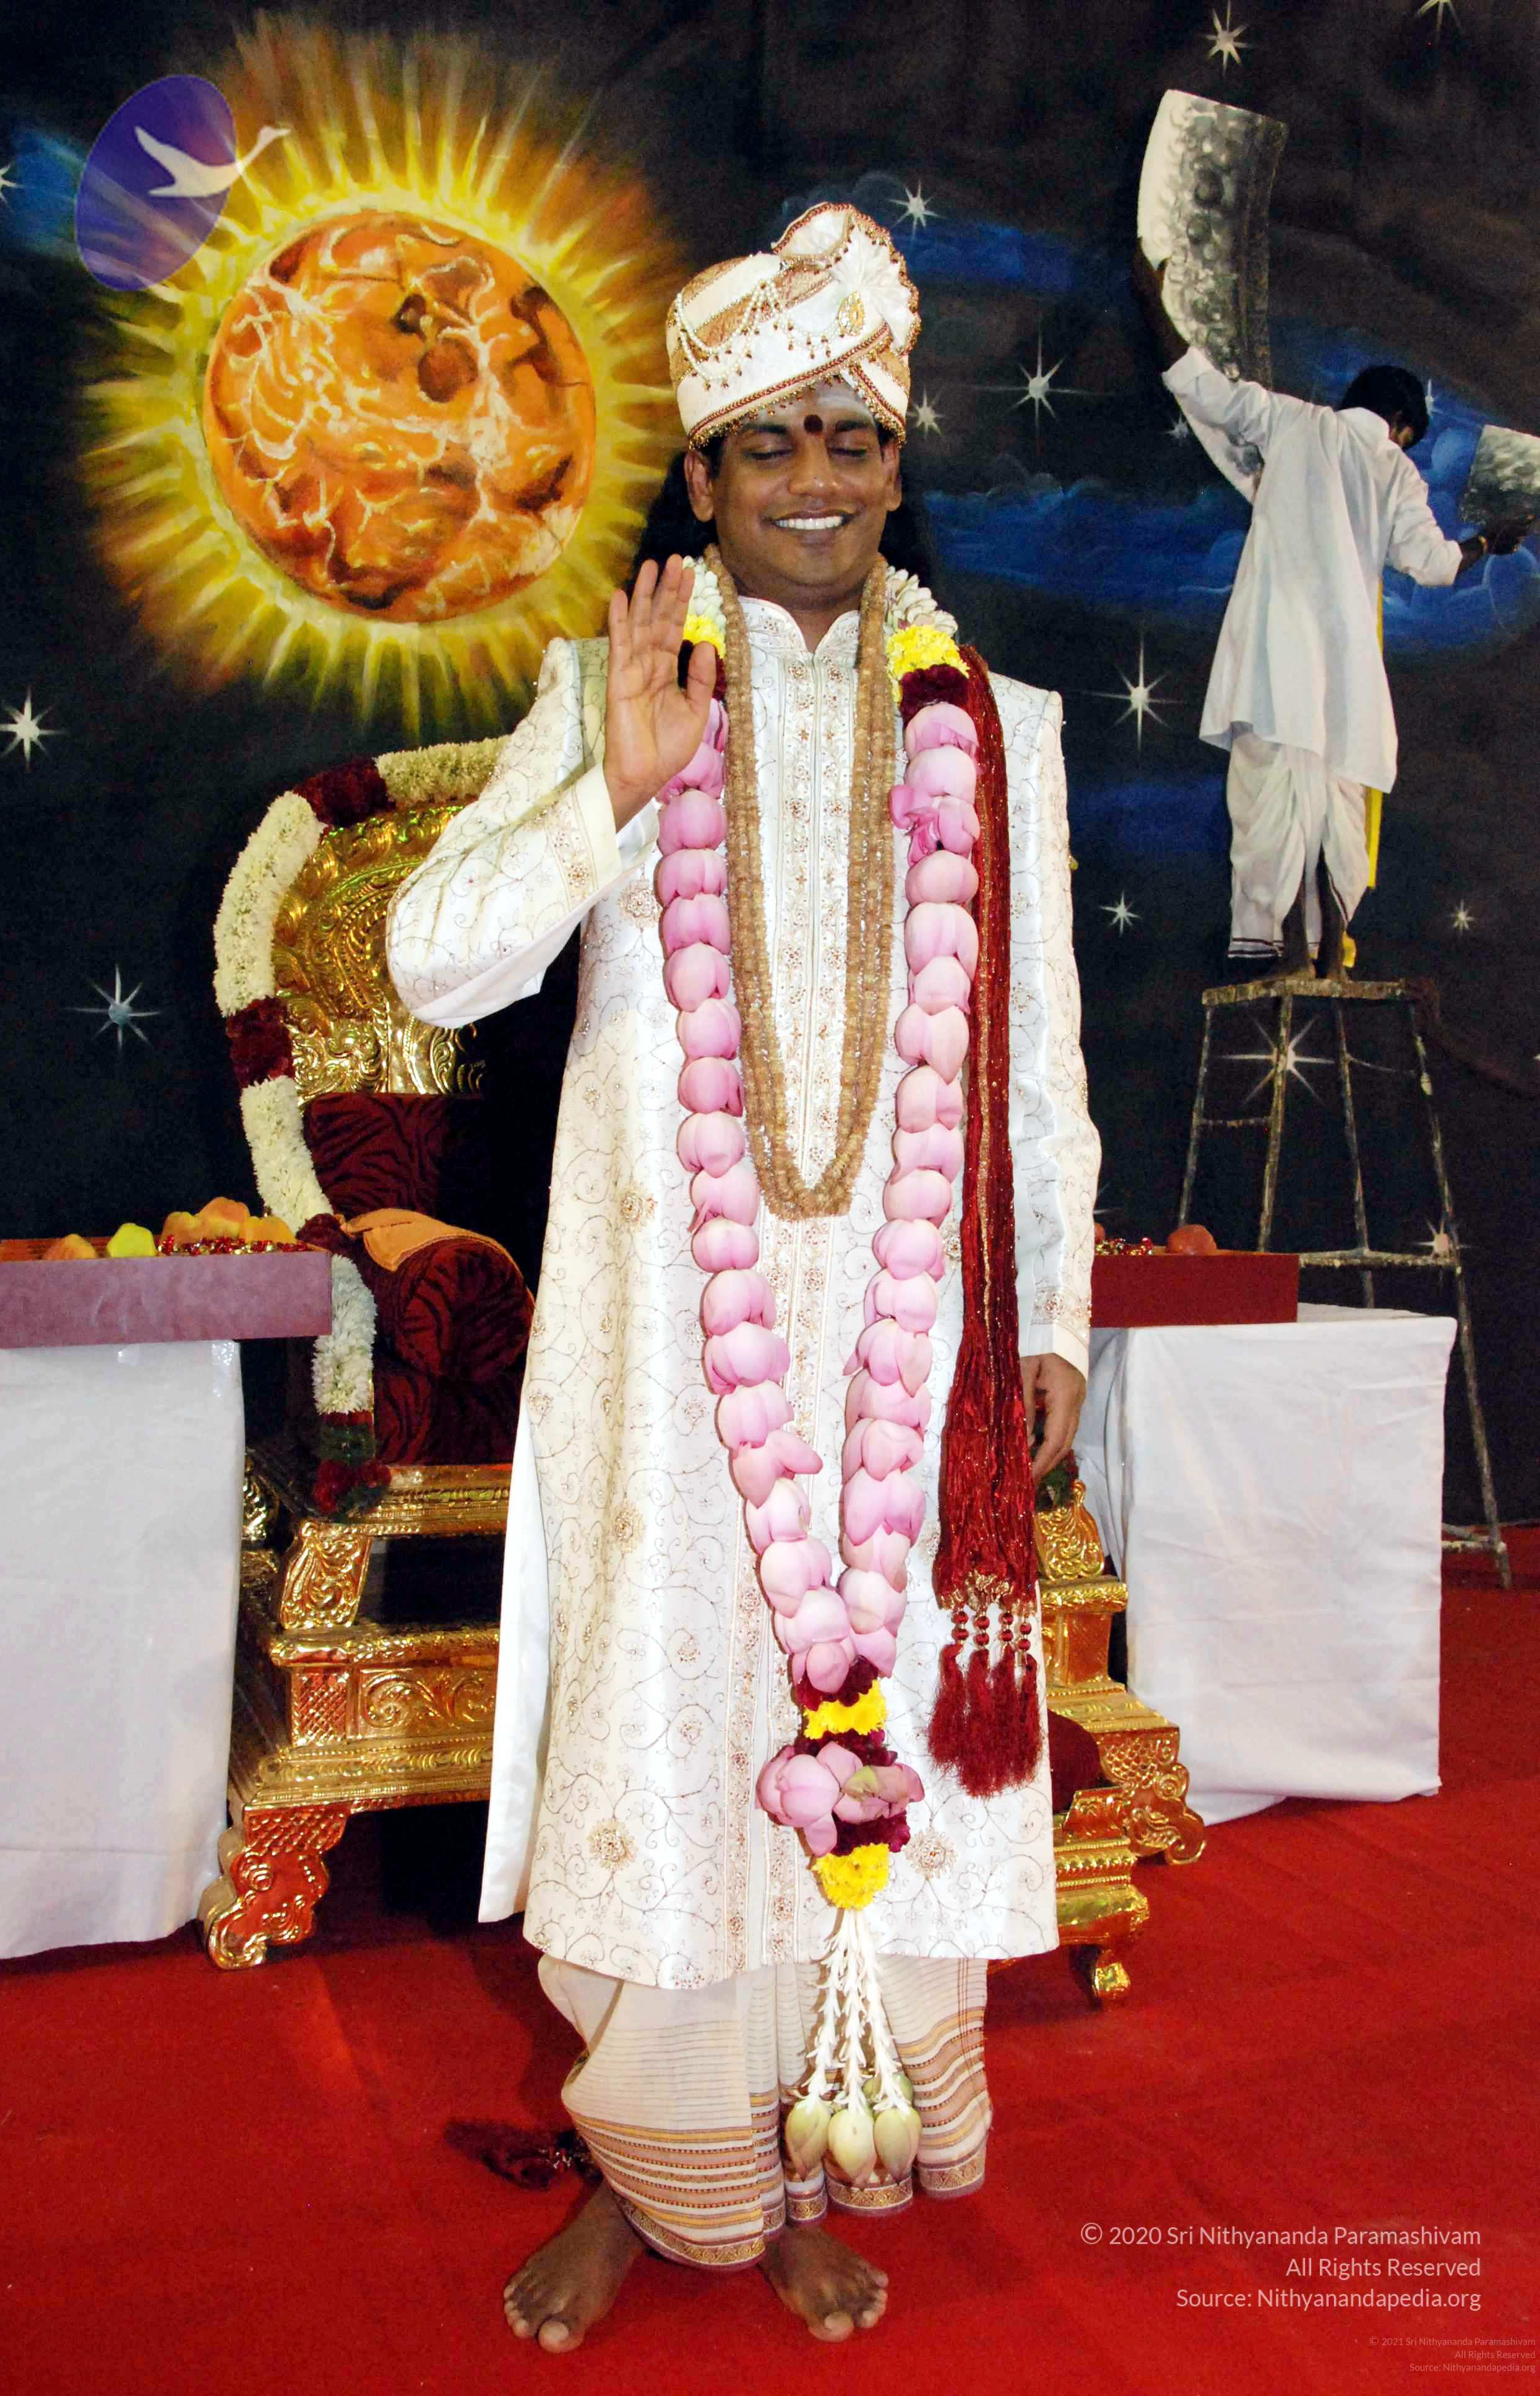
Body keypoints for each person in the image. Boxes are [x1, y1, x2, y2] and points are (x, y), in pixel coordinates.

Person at [388, 205, 1099, 2349]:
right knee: (669, 1747)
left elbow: (1041, 1054)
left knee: (864, 1759)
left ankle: (796, 2170)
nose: (814, 477)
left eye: (853, 437)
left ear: (897, 464)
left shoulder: (1002, 725)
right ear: (698, 476)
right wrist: (609, 792)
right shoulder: (598, 694)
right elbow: (435, 965)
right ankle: (649, 2176)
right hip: (665, 1364)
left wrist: (1052, 1312)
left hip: (911, 1346)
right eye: (768, 440)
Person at [1132, 245, 1531, 980]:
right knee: (1335, 800)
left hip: (1276, 648)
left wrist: (1154, 303)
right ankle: (1328, 954)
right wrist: (1489, 542)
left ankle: (1282, 949)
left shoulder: (1291, 420)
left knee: (1273, 793)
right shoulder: (1396, 470)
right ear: (1401, 422)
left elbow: (1199, 385)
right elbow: (1434, 565)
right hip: (1346, 665)